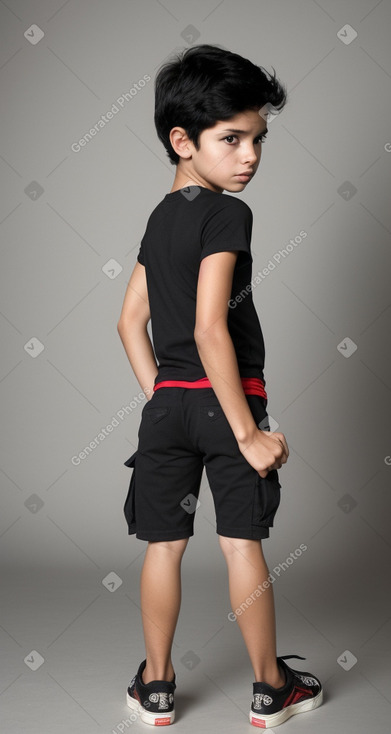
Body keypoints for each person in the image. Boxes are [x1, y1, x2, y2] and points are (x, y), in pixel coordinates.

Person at [117, 43, 323, 728]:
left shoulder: (156, 215)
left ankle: (156, 687)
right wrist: (247, 434)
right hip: (227, 399)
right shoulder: (227, 213)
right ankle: (270, 690)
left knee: (162, 546)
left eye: (257, 139)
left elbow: (126, 323)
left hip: (169, 405)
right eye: (231, 138)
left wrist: (161, 395)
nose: (249, 156)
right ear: (182, 140)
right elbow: (211, 330)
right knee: (240, 543)